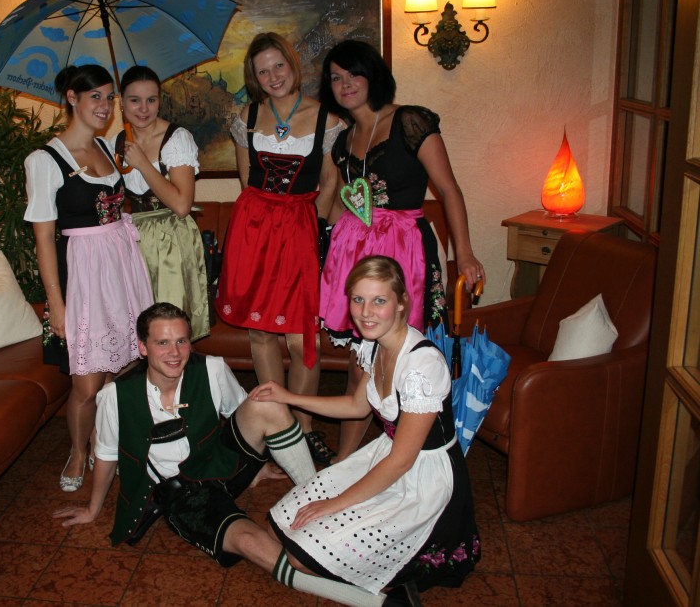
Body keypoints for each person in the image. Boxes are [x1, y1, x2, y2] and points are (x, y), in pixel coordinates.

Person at [53, 302, 386, 607]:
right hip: (185, 495)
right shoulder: (115, 396)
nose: (174, 353)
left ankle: (318, 498)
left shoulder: (211, 368)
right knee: (251, 543)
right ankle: (373, 601)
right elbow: (107, 456)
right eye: (162, 343)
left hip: (219, 462)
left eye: (182, 341)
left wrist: (256, 467)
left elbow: (244, 413)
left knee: (267, 402)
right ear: (142, 347)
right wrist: (93, 509)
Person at [250, 256, 480, 602]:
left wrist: (335, 504)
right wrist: (288, 396)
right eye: (358, 299)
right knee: (278, 526)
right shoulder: (374, 345)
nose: (366, 312)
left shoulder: (422, 367)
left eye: (379, 301)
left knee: (300, 557)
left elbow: (402, 461)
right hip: (386, 454)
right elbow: (356, 406)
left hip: (422, 478)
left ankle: (385, 587)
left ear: (401, 303)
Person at [316, 39, 485, 461]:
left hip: (404, 251)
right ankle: (345, 460)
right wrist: (325, 250)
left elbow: (449, 189)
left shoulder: (410, 121)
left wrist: (464, 253)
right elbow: (344, 203)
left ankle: (413, 455)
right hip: (356, 257)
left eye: (353, 74)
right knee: (361, 361)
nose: (345, 84)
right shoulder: (343, 140)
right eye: (335, 78)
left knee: (402, 355)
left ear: (373, 76)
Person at [23, 64, 154, 493]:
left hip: (120, 266)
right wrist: (56, 303)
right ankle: (78, 451)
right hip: (81, 275)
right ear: (71, 98)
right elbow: (44, 240)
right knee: (87, 381)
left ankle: (104, 438)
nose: (105, 105)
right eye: (94, 96)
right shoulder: (45, 161)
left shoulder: (106, 146)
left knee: (122, 365)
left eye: (109, 97)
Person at [216, 32, 344, 466]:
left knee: (301, 336)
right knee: (260, 332)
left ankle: (303, 428)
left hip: (301, 228)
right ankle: (278, 428)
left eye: (278, 66)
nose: (272, 76)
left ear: (293, 65)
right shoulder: (247, 116)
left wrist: (313, 230)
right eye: (262, 70)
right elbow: (247, 179)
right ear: (253, 77)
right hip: (254, 230)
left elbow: (329, 182)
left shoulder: (327, 118)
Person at [115, 65, 210, 340]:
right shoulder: (117, 142)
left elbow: (181, 205)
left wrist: (143, 164)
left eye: (151, 100)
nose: (144, 109)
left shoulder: (177, 138)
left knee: (170, 326)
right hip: (133, 240)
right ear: (121, 103)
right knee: (138, 329)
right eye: (134, 100)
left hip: (171, 239)